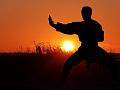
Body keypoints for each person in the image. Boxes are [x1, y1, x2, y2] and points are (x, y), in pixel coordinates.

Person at [48, 6, 118, 83]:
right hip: (85, 49)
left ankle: (115, 79)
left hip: (92, 48)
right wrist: (53, 25)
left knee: (112, 61)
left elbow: (101, 38)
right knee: (67, 64)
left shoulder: (94, 25)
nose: (82, 15)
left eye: (84, 13)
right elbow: (66, 28)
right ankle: (63, 80)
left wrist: (91, 37)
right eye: (82, 13)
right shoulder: (84, 25)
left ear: (89, 14)